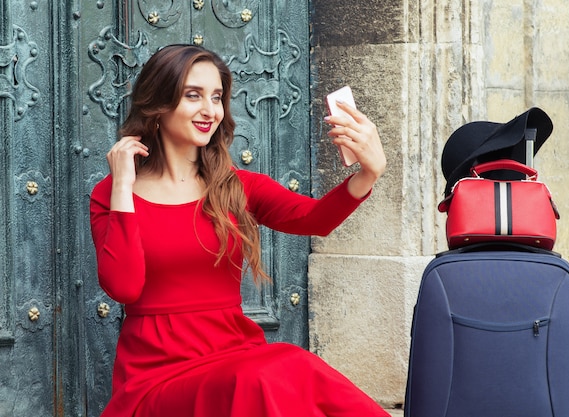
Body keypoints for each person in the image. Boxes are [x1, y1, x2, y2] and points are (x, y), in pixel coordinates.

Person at [89, 44, 389, 417]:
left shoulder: (237, 187)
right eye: (192, 95)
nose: (210, 110)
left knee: (293, 367)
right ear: (158, 105)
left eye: (216, 97)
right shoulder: (113, 195)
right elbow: (124, 286)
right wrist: (122, 184)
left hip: (235, 355)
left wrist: (367, 174)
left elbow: (315, 219)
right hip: (157, 377)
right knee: (267, 374)